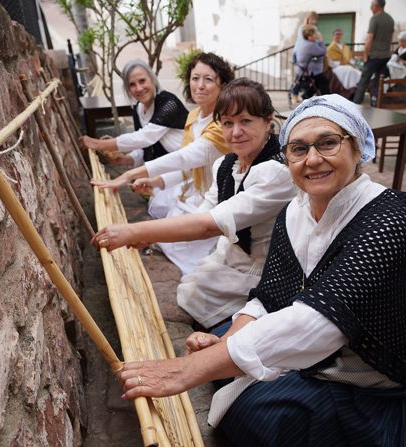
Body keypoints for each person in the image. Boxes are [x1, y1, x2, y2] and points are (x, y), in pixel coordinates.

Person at [116, 95, 406, 447]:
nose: (312, 159)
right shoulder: (295, 211)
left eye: (328, 143)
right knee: (223, 350)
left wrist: (187, 371)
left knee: (250, 411)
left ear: (358, 148)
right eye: (298, 149)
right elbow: (271, 294)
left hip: (389, 390)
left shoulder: (389, 221)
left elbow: (319, 324)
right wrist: (225, 342)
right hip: (333, 357)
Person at [91, 78, 297, 330]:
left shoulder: (275, 172)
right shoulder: (226, 164)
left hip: (263, 267)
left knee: (196, 299)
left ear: (267, 121)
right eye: (228, 123)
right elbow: (205, 211)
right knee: (190, 289)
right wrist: (152, 235)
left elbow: (208, 225)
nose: (235, 132)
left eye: (246, 121)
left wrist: (136, 231)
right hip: (230, 254)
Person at [92, 52, 234, 275]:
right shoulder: (194, 116)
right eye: (195, 78)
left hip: (215, 196)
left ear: (223, 85)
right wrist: (157, 181)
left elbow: (183, 157)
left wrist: (129, 174)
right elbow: (189, 168)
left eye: (208, 79)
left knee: (190, 249)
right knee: (161, 209)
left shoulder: (222, 122)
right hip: (193, 190)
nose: (200, 85)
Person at [78, 59, 189, 219]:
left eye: (142, 81)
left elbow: (146, 137)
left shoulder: (168, 103)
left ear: (152, 78)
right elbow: (145, 148)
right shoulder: (139, 109)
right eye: (132, 84)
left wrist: (98, 144)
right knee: (158, 208)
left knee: (172, 211)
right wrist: (126, 160)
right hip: (163, 171)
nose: (139, 88)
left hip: (184, 168)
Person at [353, 0, 395, 105]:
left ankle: (355, 105)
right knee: (379, 82)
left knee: (363, 81)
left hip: (374, 56)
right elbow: (390, 39)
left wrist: (365, 56)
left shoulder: (375, 19)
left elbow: (369, 39)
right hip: (385, 55)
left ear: (376, 6)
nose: (371, 8)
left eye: (371, 6)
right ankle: (377, 104)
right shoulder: (390, 19)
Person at [294, 25, 331, 98]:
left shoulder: (304, 42)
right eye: (315, 34)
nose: (316, 36)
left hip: (303, 68)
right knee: (324, 81)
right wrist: (321, 40)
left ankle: (307, 95)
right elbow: (323, 51)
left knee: (319, 81)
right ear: (309, 36)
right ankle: (327, 99)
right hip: (307, 70)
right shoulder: (310, 45)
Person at [291, 12, 319, 103]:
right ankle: (294, 94)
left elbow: (316, 41)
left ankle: (305, 95)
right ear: (308, 19)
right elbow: (305, 39)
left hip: (308, 53)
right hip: (299, 53)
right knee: (299, 74)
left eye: (314, 19)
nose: (313, 21)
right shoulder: (302, 28)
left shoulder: (316, 29)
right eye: (311, 19)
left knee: (307, 75)